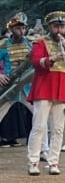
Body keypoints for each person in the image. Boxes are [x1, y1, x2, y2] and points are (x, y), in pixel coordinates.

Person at [26, 11, 65, 175]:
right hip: (44, 86)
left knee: (58, 129)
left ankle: (53, 162)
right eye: (56, 26)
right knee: (39, 127)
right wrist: (54, 57)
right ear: (50, 27)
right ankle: (34, 161)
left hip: (62, 88)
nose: (59, 29)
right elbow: (36, 62)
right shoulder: (40, 42)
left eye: (62, 26)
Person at [0, 12, 34, 146]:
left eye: (23, 28)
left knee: (38, 116)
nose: (21, 31)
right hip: (10, 85)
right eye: (18, 28)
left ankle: (43, 148)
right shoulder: (3, 44)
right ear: (11, 29)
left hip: (27, 85)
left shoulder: (30, 43)